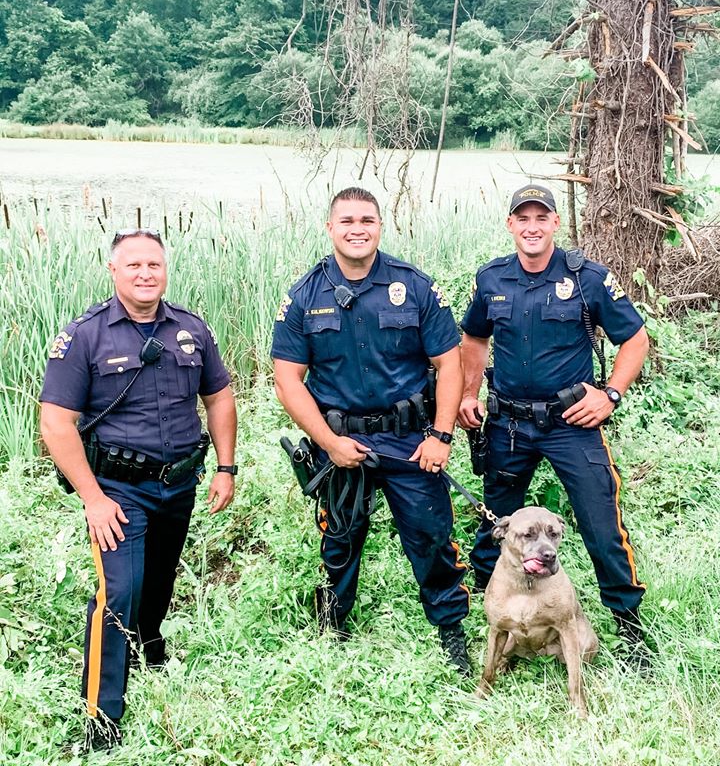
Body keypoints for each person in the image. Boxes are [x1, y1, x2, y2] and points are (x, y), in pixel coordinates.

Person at [40, 229, 237, 750]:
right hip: (117, 492)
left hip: (179, 484)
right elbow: (57, 423)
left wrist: (225, 467)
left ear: (165, 269)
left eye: (154, 264)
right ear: (113, 271)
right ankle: (101, 722)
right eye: (134, 266)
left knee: (159, 579)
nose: (146, 273)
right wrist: (93, 499)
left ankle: (150, 645)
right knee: (117, 596)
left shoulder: (191, 329)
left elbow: (218, 397)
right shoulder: (85, 335)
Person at [272, 188, 471, 673]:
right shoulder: (305, 295)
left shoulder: (414, 286)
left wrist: (441, 435)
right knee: (339, 537)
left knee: (431, 537)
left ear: (381, 226)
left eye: (367, 219)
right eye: (346, 220)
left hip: (410, 440)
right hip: (342, 441)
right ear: (329, 227)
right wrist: (329, 443)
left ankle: (450, 632)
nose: (357, 229)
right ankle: (333, 626)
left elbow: (450, 364)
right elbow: (287, 380)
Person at [458, 183, 651, 661]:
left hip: (572, 422)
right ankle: (495, 616)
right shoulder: (491, 280)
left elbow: (636, 340)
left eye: (540, 217)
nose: (532, 227)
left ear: (555, 223)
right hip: (507, 423)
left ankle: (629, 627)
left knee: (601, 524)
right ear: (510, 225)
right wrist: (467, 393)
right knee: (497, 522)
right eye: (522, 218)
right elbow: (475, 340)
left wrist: (610, 395)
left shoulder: (586, 277)